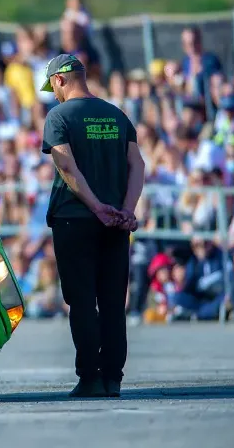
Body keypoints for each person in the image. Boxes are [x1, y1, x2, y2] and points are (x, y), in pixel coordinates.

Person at [39, 54, 145, 398]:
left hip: (76, 219)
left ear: (59, 80)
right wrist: (126, 210)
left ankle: (90, 378)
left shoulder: (58, 116)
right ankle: (113, 378)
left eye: (52, 87)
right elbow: (138, 165)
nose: (53, 94)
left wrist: (95, 206)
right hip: (116, 222)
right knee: (114, 302)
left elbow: (65, 166)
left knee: (83, 302)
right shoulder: (117, 114)